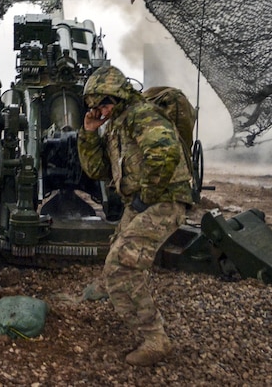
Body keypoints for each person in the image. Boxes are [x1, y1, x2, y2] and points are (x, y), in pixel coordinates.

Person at [77, 65, 195, 366]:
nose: (98, 108)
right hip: (146, 200)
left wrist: (147, 196)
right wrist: (90, 133)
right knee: (117, 251)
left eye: (103, 102)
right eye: (93, 104)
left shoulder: (141, 115)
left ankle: (155, 339)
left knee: (124, 266)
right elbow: (98, 170)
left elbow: (165, 154)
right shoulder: (118, 122)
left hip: (164, 201)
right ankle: (105, 293)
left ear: (117, 96)